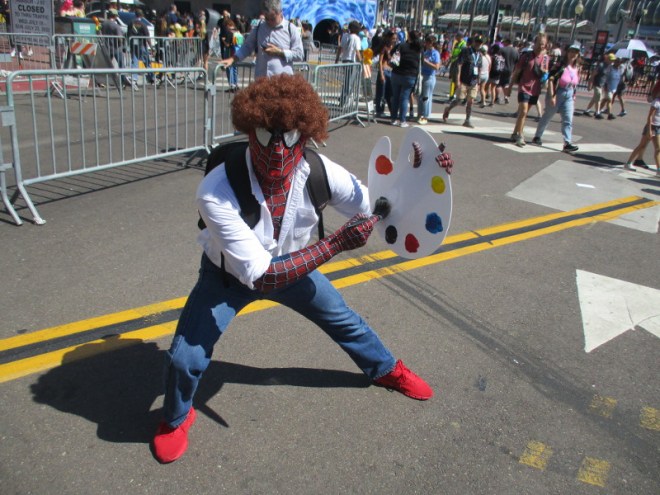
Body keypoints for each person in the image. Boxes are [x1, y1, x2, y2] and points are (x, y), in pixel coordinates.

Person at [151, 74, 435, 464]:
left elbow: (379, 206)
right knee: (185, 358)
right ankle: (176, 417)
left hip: (296, 267)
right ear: (249, 131)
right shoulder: (217, 189)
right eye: (265, 136)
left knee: (345, 320)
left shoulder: (319, 171)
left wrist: (423, 174)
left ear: (305, 135)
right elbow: (261, 274)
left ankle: (384, 368)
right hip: (228, 277)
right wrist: (335, 243)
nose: (277, 150)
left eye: (289, 138)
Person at [221, 0, 303, 78]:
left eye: (272, 18)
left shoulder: (291, 29)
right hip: (262, 81)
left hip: (282, 82)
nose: (269, 21)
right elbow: (247, 47)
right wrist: (232, 59)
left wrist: (280, 52)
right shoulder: (259, 27)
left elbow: (299, 54)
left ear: (281, 12)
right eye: (266, 18)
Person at [531, 42, 581, 153]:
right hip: (557, 92)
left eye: (575, 52)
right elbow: (551, 80)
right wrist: (552, 96)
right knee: (548, 116)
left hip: (569, 94)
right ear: (567, 52)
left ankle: (567, 143)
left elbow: (575, 84)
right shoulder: (560, 66)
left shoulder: (576, 68)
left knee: (568, 120)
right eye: (571, 51)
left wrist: (574, 96)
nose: (573, 54)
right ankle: (537, 136)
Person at [507, 33, 549, 147]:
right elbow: (516, 72)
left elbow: (545, 74)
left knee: (523, 113)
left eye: (543, 44)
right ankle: (520, 135)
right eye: (539, 43)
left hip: (535, 89)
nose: (541, 46)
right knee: (524, 111)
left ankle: (515, 133)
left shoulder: (545, 59)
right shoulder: (526, 56)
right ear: (534, 43)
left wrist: (544, 72)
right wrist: (510, 87)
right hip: (524, 87)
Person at [442, 35, 484, 129]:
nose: (478, 44)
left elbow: (479, 68)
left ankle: (467, 120)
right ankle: (448, 109)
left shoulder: (480, 55)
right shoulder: (466, 51)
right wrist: (458, 79)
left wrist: (479, 81)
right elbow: (459, 65)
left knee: (470, 101)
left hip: (473, 81)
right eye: (476, 42)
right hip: (464, 80)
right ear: (473, 42)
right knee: (459, 100)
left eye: (480, 43)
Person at [623, 81, 660, 176]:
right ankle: (628, 163)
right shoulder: (656, 102)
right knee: (644, 146)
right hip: (652, 126)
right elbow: (650, 117)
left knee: (656, 148)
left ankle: (658, 170)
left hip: (658, 127)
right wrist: (649, 129)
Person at [390, 29, 423, 127]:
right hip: (410, 75)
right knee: (404, 98)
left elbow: (392, 53)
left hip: (396, 73)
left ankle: (393, 119)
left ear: (408, 36)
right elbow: (421, 63)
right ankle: (402, 120)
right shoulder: (419, 49)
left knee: (395, 97)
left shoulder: (401, 46)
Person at [418, 34, 441, 125]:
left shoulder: (435, 53)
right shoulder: (426, 52)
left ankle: (426, 115)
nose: (426, 44)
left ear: (432, 43)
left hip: (430, 76)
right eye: (426, 42)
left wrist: (426, 61)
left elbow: (437, 67)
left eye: (428, 42)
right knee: (420, 96)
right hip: (423, 75)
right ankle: (420, 114)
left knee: (426, 97)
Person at [374, 31, 396, 118]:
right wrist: (381, 74)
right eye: (393, 38)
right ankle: (379, 110)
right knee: (381, 92)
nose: (394, 40)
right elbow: (380, 61)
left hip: (390, 71)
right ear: (389, 38)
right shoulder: (384, 47)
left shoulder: (393, 48)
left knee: (390, 92)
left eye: (395, 38)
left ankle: (392, 110)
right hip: (383, 70)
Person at [582, 52, 608, 119]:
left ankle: (587, 110)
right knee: (598, 97)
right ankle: (597, 113)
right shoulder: (601, 65)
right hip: (597, 84)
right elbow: (593, 75)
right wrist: (590, 84)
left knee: (595, 98)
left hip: (601, 85)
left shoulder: (608, 67)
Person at [447, 30, 467, 101]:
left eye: (457, 36)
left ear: (460, 36)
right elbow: (453, 54)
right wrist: (449, 62)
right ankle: (451, 95)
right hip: (454, 63)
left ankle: (462, 97)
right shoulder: (456, 43)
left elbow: (461, 55)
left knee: (458, 81)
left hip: (458, 64)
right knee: (453, 80)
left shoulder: (463, 44)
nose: (455, 37)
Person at [498, 38, 519, 104]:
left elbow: (497, 59)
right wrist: (514, 71)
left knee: (499, 84)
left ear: (507, 42)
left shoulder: (502, 49)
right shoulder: (516, 51)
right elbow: (517, 63)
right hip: (510, 70)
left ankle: (497, 97)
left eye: (504, 42)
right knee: (506, 84)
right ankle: (506, 97)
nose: (503, 43)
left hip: (501, 69)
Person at [602, 53, 621, 121]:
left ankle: (598, 111)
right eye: (617, 62)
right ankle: (609, 114)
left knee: (605, 100)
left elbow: (618, 78)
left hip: (614, 87)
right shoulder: (610, 68)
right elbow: (606, 76)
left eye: (619, 62)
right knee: (609, 100)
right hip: (608, 86)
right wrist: (605, 85)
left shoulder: (618, 69)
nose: (618, 63)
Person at [477, 44, 491, 108]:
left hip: (480, 74)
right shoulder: (488, 57)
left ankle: (469, 101)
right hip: (486, 74)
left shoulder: (480, 57)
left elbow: (479, 68)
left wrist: (478, 76)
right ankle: (483, 101)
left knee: (476, 88)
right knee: (482, 89)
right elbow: (490, 66)